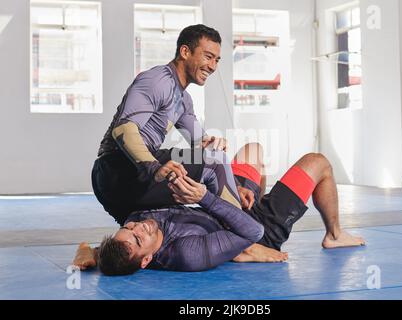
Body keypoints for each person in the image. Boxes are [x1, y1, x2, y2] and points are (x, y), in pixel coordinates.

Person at [74, 144, 366, 275]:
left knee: (253, 150)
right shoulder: (186, 253)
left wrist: (87, 252)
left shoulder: (131, 235)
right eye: (138, 237)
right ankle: (335, 234)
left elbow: (101, 250)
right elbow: (252, 230)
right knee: (318, 162)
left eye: (129, 228)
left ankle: (253, 199)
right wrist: (205, 197)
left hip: (229, 207)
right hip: (255, 233)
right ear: (147, 259)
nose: (140, 226)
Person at [93, 24, 244, 226]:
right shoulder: (158, 80)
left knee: (156, 236)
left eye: (216, 60)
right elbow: (124, 130)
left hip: (133, 178)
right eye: (208, 56)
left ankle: (92, 253)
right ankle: (245, 239)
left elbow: (201, 144)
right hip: (117, 170)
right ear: (185, 51)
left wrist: (231, 184)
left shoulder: (183, 100)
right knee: (215, 161)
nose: (213, 66)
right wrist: (154, 167)